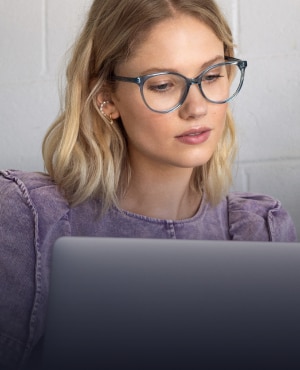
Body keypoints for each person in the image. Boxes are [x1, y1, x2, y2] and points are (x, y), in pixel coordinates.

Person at [0, 0, 297, 368]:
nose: (197, 108)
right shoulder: (29, 217)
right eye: (162, 84)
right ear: (106, 98)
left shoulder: (261, 230)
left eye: (211, 76)